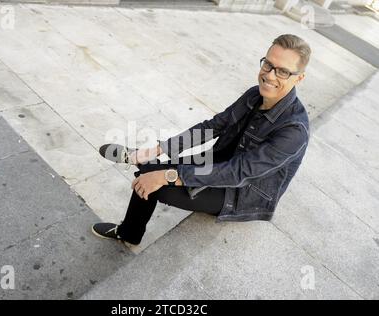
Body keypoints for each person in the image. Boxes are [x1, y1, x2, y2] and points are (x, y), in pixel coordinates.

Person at [92, 34, 311, 246]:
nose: (270, 75)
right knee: (150, 170)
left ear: (299, 78)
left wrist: (167, 175)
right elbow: (213, 127)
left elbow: (239, 172)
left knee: (153, 183)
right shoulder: (255, 94)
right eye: (268, 65)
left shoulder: (294, 130)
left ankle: (129, 227)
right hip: (217, 163)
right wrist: (159, 150)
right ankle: (141, 162)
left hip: (240, 192)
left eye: (282, 71)